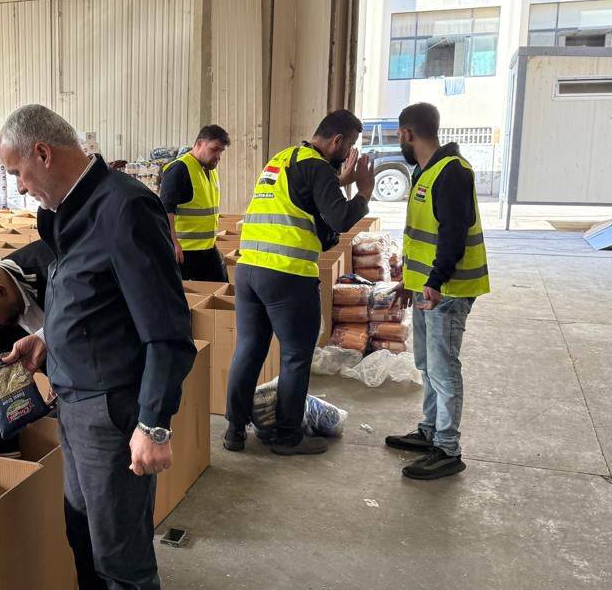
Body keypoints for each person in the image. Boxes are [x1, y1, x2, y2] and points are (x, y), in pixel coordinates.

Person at [0, 104, 195, 590]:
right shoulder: (70, 213)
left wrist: (154, 425)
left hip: (114, 416)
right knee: (83, 536)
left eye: (18, 172)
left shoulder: (124, 209)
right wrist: (46, 341)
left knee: (123, 556)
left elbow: (168, 332)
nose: (19, 186)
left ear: (43, 153)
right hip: (75, 407)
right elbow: (94, 301)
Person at [226, 110, 374, 456]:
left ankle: (234, 431)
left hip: (248, 271)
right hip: (287, 275)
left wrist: (340, 180)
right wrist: (364, 192)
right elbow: (339, 217)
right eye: (350, 145)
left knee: (249, 348)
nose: (348, 153)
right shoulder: (317, 167)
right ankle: (287, 436)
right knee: (295, 356)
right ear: (337, 141)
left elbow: (304, 197)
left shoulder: (282, 159)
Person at [385, 102, 488, 480]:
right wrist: (410, 282)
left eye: (399, 135)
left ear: (407, 133)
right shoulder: (425, 171)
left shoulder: (452, 171)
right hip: (427, 287)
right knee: (427, 365)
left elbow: (453, 234)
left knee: (444, 370)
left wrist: (434, 281)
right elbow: (423, 237)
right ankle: (430, 431)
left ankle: (447, 448)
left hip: (448, 290)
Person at [159, 124, 231, 282]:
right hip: (184, 251)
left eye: (221, 151)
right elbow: (165, 209)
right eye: (214, 149)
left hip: (207, 248)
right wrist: (173, 243)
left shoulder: (210, 170)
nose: (218, 156)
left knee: (221, 287)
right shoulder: (179, 169)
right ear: (199, 144)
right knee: (179, 293)